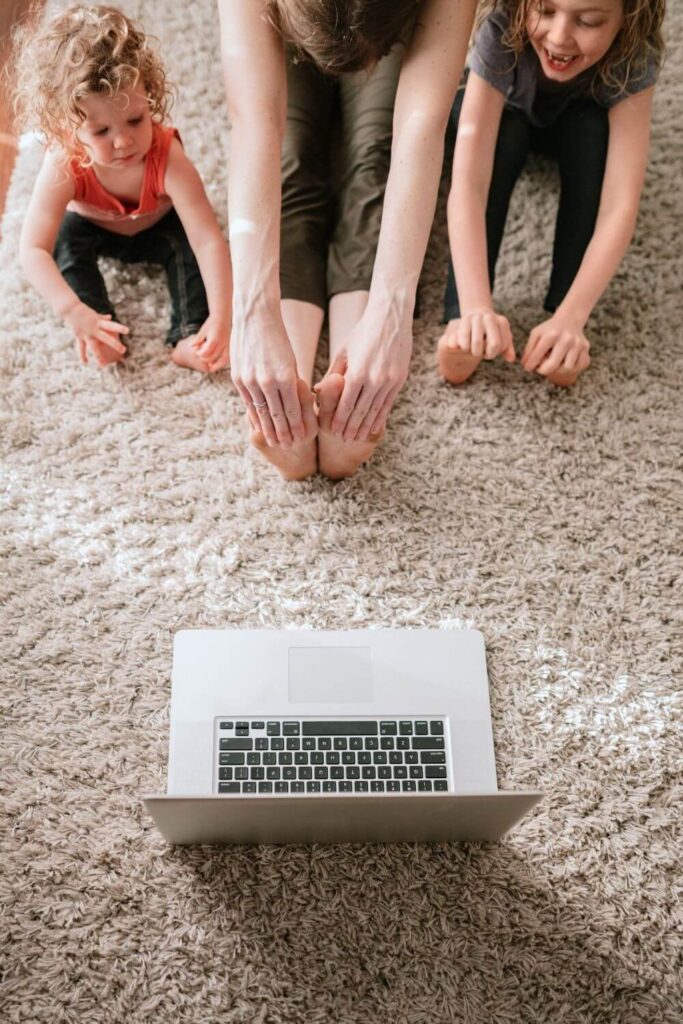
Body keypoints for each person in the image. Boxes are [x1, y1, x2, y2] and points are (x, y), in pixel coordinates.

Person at [218, 0, 477, 479]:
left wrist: (391, 313)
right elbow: (256, 122)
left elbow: (420, 126)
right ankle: (285, 405)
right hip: (286, 25)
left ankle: (350, 400)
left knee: (374, 153)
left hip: (384, 27)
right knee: (289, 158)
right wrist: (251, 311)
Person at [438, 0, 665, 388]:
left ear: (628, 17)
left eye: (589, 21)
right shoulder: (501, 29)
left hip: (578, 121)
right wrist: (475, 305)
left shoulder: (634, 52)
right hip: (506, 115)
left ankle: (563, 326)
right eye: (544, 11)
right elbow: (469, 182)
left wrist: (572, 317)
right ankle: (463, 322)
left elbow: (620, 206)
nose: (559, 37)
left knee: (590, 131)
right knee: (505, 137)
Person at [15, 4, 232, 373]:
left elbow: (208, 239)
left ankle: (188, 334)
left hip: (159, 226)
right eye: (101, 132)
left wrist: (224, 318)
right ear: (68, 130)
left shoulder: (167, 156)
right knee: (65, 243)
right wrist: (74, 312)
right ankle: (102, 334)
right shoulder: (64, 162)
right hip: (92, 229)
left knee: (191, 252)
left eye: (135, 119)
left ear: (151, 98)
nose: (123, 142)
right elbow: (33, 249)